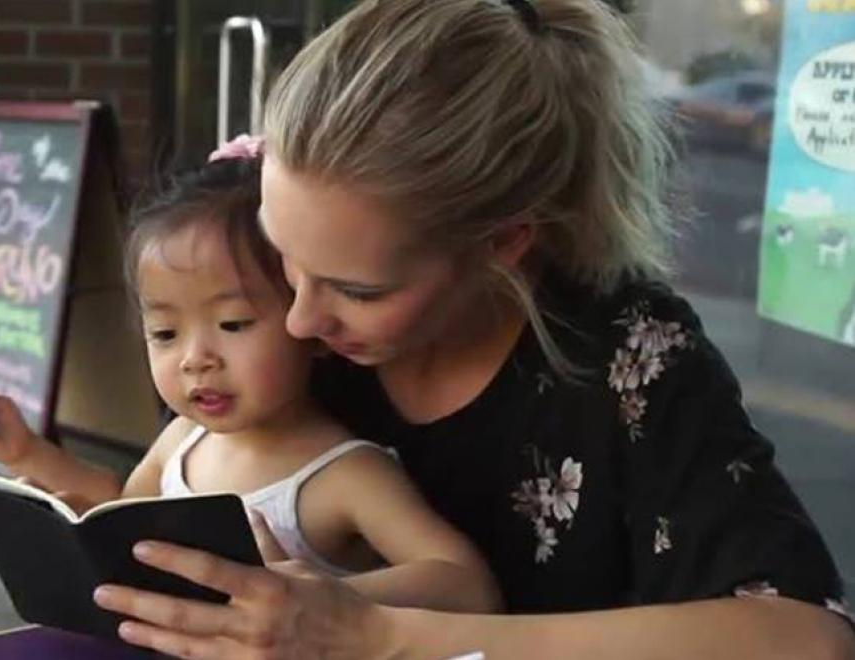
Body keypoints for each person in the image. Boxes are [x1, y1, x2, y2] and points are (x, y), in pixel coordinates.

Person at [87, 0, 855, 657]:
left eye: (358, 290)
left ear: (503, 245)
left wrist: (380, 635)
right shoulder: (281, 329)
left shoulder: (627, 355)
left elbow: (806, 636)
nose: (300, 320)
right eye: (284, 258)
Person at [0, 138, 503, 614]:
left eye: (233, 324)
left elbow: (467, 585)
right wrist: (25, 454)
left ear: (307, 320)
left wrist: (325, 597)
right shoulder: (186, 439)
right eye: (165, 333)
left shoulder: (343, 474)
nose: (195, 358)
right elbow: (122, 509)